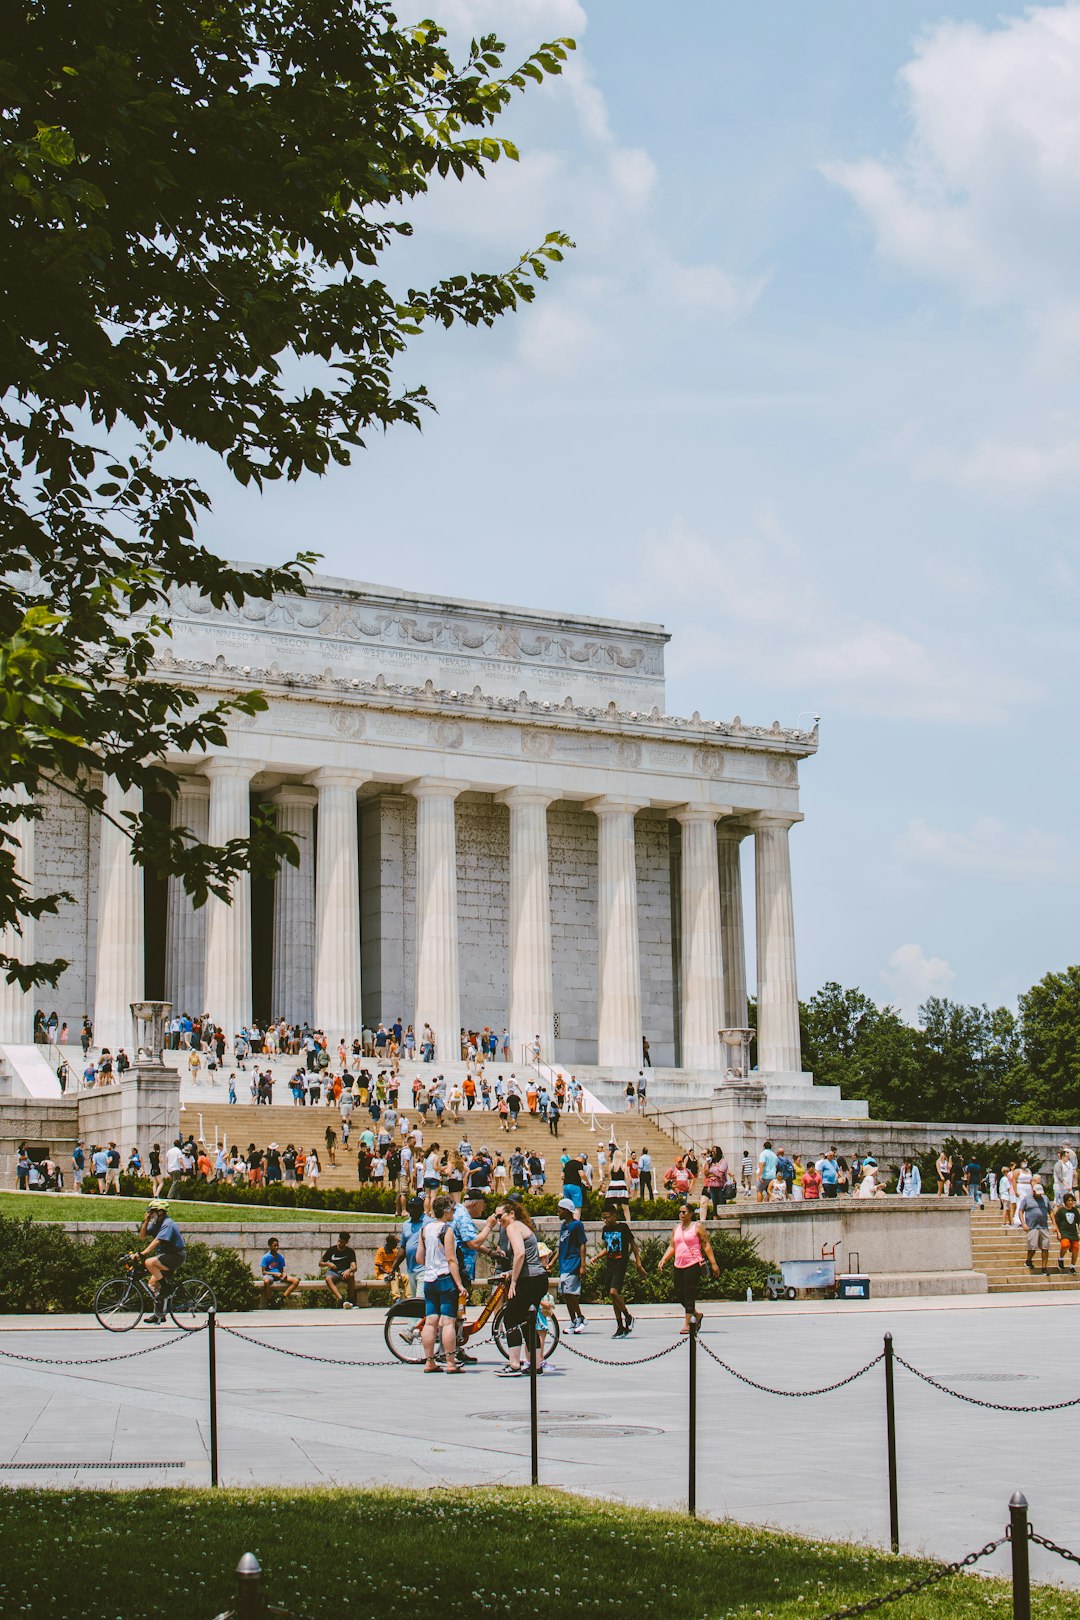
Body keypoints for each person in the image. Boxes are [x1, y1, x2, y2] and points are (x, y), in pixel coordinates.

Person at [494, 1202, 550, 1377]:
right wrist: (511, 1273)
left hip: (528, 1281)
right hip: (539, 1279)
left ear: (511, 1213)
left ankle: (514, 1364)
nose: (498, 1220)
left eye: (500, 1216)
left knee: (511, 1319)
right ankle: (536, 1364)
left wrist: (514, 1282)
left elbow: (519, 1254)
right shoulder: (523, 1227)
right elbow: (529, 1259)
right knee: (527, 1321)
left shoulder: (512, 1227)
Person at [417, 1195, 465, 1374]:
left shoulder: (425, 1229)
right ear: (445, 1211)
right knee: (447, 1322)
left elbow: (419, 1258)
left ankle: (429, 1361)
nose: (453, 1213)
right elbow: (452, 1259)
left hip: (429, 1279)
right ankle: (451, 1363)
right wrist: (459, 1284)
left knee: (430, 1322)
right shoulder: (447, 1230)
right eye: (452, 1210)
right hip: (445, 1278)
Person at [659, 1205, 720, 1335]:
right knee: (679, 1292)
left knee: (689, 1292)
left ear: (691, 1214)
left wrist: (713, 1263)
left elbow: (706, 1245)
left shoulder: (697, 1227)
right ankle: (696, 1315)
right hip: (679, 1263)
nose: (681, 1214)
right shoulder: (676, 1228)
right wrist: (664, 1259)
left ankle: (687, 1324)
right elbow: (672, 1246)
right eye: (680, 1212)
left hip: (693, 1263)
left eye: (684, 1212)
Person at [599, 1206, 646, 1338]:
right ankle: (620, 1326)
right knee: (614, 1297)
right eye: (603, 1218)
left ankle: (628, 1316)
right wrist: (596, 1257)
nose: (605, 1220)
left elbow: (633, 1245)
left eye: (607, 1217)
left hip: (620, 1264)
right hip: (610, 1264)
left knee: (613, 1292)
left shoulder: (623, 1228)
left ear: (614, 1215)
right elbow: (608, 1248)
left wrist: (638, 1263)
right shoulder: (605, 1229)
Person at [137, 1200, 187, 1322]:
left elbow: (157, 1241)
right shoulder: (156, 1224)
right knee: (152, 1285)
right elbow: (142, 1236)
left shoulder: (167, 1224)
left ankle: (166, 1288)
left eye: (152, 1212)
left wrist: (143, 1253)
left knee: (149, 1262)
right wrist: (146, 1220)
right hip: (167, 1256)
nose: (150, 1214)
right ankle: (159, 1315)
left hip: (176, 1256)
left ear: (160, 1212)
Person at [556, 1197, 588, 1333]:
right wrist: (552, 1262)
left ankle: (581, 1318)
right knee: (565, 1293)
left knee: (571, 1292)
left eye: (560, 1210)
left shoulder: (577, 1225)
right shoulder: (564, 1226)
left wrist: (583, 1265)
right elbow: (561, 1246)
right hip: (564, 1263)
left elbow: (582, 1244)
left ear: (566, 1211)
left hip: (573, 1262)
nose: (558, 1212)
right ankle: (573, 1320)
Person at [1018, 1176, 1051, 1275]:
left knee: (1045, 1248)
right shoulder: (1027, 1199)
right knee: (1032, 1247)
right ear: (1033, 1191)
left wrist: (1054, 1224)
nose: (1039, 1195)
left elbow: (1051, 1211)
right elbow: (1021, 1211)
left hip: (1043, 1226)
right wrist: (1023, 1223)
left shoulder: (1045, 1199)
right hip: (1032, 1226)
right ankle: (1029, 1260)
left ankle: (1044, 1268)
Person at [319, 1232, 357, 1307]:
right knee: (328, 1278)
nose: (339, 1243)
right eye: (338, 1241)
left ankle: (351, 1299)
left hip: (344, 1272)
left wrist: (348, 1270)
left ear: (346, 1242)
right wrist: (329, 1264)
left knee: (352, 1275)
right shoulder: (331, 1250)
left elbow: (354, 1267)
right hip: (334, 1272)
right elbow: (320, 1263)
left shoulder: (350, 1252)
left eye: (342, 1242)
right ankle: (341, 1299)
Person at [260, 1237, 300, 1305]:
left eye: (277, 1245)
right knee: (266, 1281)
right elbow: (263, 1272)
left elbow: (281, 1270)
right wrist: (274, 1273)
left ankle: (282, 1299)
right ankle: (270, 1300)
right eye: (274, 1246)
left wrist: (283, 1274)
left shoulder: (280, 1257)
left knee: (296, 1281)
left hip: (279, 1276)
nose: (276, 1247)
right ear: (270, 1246)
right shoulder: (265, 1257)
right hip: (269, 1276)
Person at [1053, 1192, 1080, 1273]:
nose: (1071, 1202)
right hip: (1064, 1232)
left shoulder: (1075, 1211)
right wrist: (1058, 1232)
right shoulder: (1061, 1211)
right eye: (1069, 1201)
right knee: (1065, 1245)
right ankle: (1061, 1258)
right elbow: (1056, 1223)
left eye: (1072, 1201)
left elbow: (1078, 1222)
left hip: (1073, 1232)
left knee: (1076, 1249)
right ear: (1065, 1201)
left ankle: (1072, 1266)